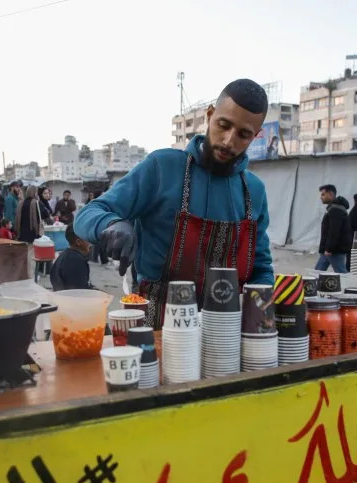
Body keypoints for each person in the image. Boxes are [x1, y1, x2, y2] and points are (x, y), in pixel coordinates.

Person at [75, 78, 274, 328]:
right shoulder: (163, 168)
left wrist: (261, 315)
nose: (228, 141)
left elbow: (261, 267)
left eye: (243, 135)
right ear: (210, 115)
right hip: (155, 325)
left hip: (224, 330)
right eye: (223, 125)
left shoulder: (254, 191)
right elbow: (87, 214)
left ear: (256, 136)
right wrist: (111, 224)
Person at [315, 184, 351, 273]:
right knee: (318, 272)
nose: (321, 197)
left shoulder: (336, 210)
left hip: (334, 250)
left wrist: (329, 249)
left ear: (330, 194)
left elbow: (334, 231)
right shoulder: (333, 208)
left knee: (341, 273)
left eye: (323, 194)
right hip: (329, 249)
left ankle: (348, 283)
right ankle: (315, 281)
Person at [49, 224, 93, 291]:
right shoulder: (76, 261)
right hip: (68, 296)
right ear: (78, 242)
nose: (90, 241)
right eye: (87, 238)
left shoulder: (65, 255)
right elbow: (79, 292)